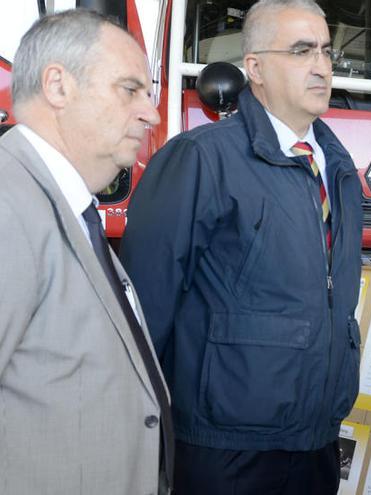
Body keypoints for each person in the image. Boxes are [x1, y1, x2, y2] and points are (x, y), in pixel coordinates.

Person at [120, 0, 364, 493]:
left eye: (325, 51)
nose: (320, 66)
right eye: (300, 51)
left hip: (315, 444)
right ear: (254, 68)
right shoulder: (201, 159)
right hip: (222, 450)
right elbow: (144, 308)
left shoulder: (339, 169)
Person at [0, 10, 172, 494]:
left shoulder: (65, 208)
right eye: (129, 89)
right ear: (58, 86)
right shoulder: (8, 207)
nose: (151, 113)